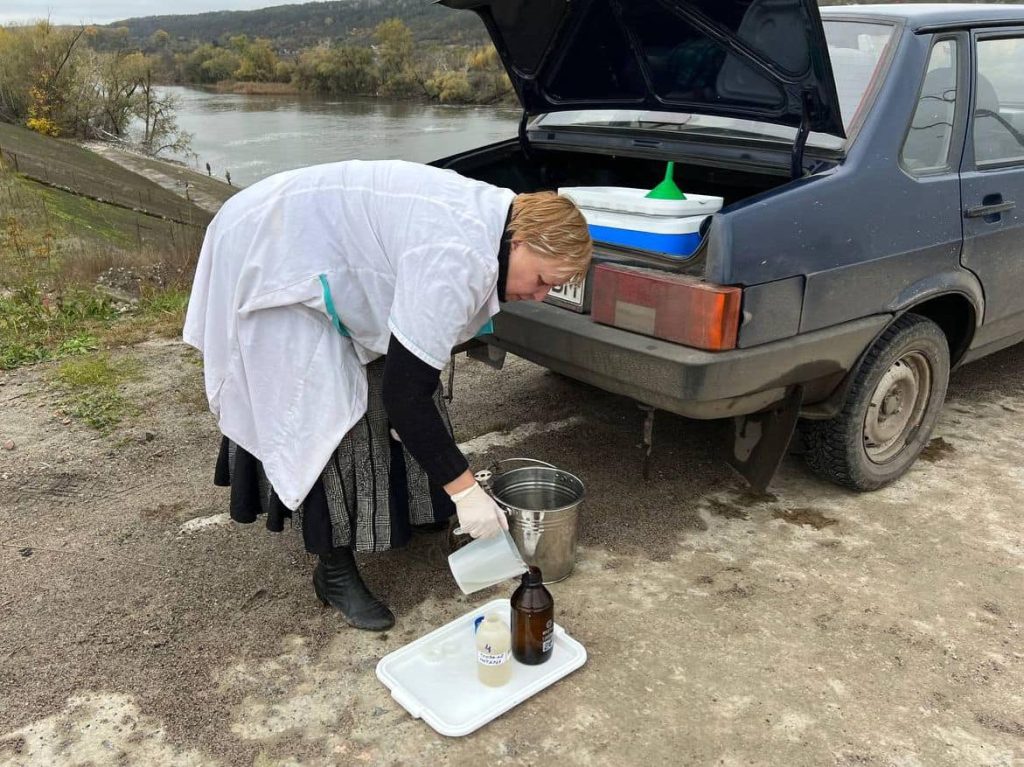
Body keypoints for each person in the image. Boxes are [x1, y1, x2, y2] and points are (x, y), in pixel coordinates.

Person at [183, 160, 592, 631]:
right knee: (323, 413)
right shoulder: (458, 258)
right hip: (268, 248)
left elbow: (413, 377)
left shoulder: (498, 221)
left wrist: (452, 479)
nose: (539, 296)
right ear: (519, 242)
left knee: (402, 383)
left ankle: (416, 511)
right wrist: (467, 491)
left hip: (310, 232)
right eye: (540, 279)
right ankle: (333, 571)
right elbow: (405, 398)